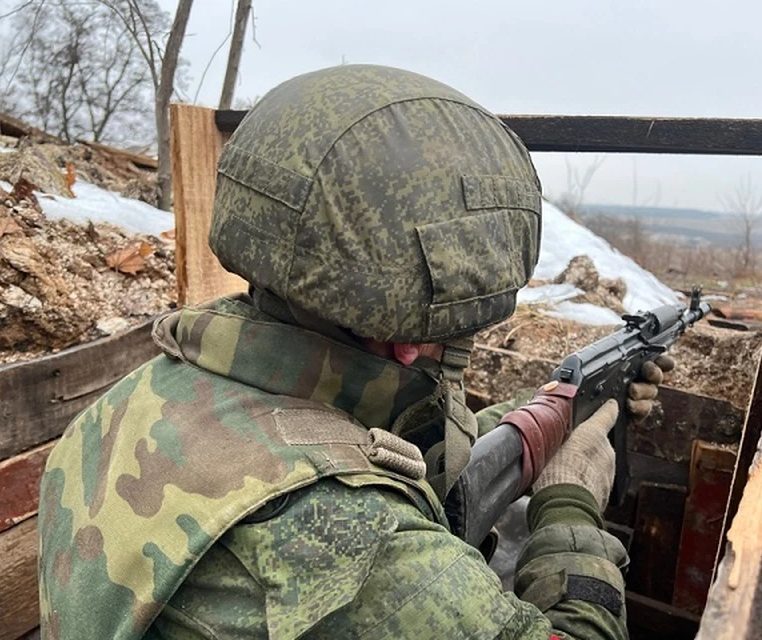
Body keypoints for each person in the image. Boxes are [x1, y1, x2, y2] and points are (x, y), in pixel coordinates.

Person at [38, 64, 672, 640]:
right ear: (410, 341)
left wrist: (550, 411)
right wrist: (571, 505)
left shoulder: (131, 400)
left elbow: (351, 438)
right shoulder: (361, 546)